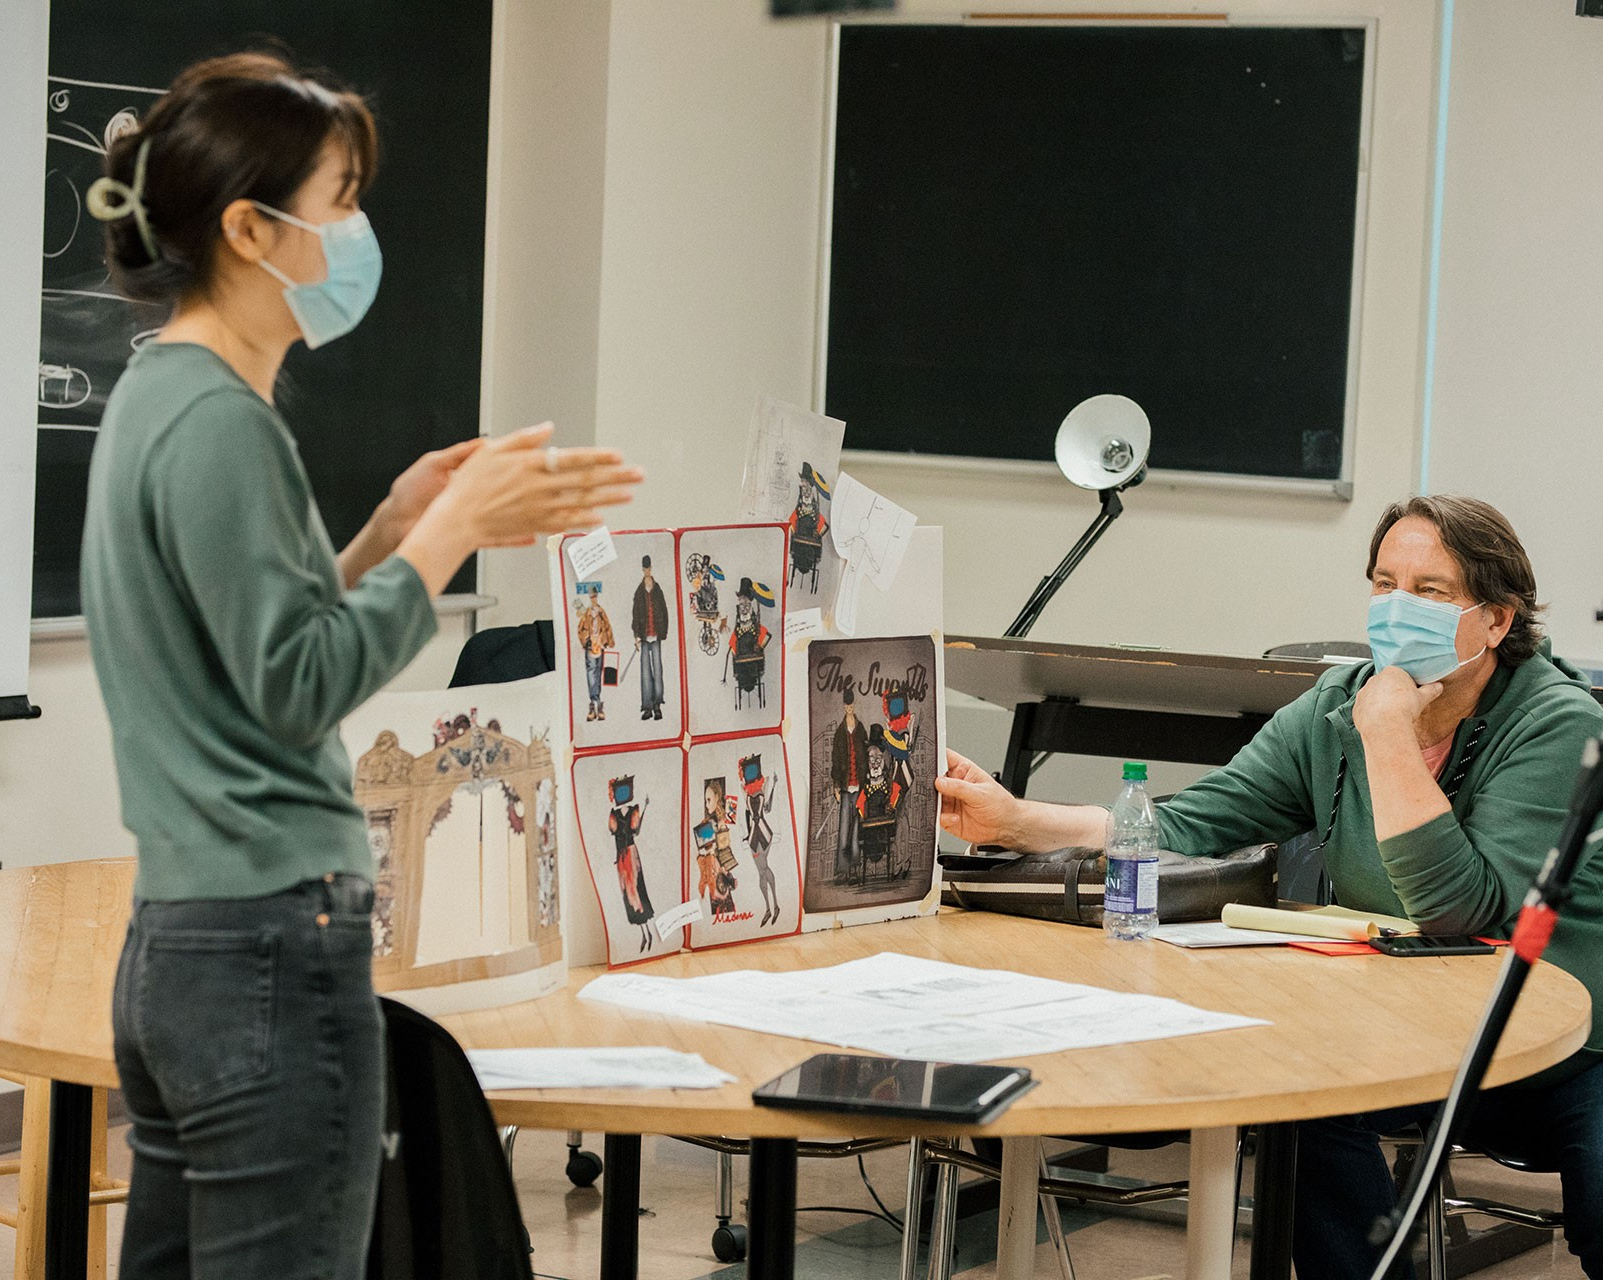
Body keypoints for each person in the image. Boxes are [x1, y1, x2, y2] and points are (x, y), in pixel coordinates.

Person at [78, 53, 642, 1280]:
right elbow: (296, 684)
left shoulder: (160, 395)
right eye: (338, 200)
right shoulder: (224, 420)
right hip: (270, 950)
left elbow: (246, 641)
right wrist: (449, 539)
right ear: (247, 227)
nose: (354, 232)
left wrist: (391, 528)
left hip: (183, 946)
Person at [936, 495, 1603, 1279]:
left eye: (1428, 591)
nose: (1395, 608)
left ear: (1495, 621)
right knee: (1303, 1105)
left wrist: (1387, 732)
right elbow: (1188, 825)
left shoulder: (1557, 723)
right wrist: (1016, 820)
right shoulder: (1330, 707)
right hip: (1412, 1025)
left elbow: (1457, 909)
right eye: (1382, 582)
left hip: (1559, 1045)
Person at [831, 687, 868, 879]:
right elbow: (836, 761)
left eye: (851, 704)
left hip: (860, 788)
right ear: (844, 706)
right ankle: (842, 870)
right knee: (844, 828)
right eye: (846, 705)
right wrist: (836, 786)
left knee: (856, 830)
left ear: (854, 705)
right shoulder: (839, 733)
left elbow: (867, 759)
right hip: (846, 788)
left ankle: (854, 870)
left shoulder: (861, 730)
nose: (849, 708)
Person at [632, 553, 670, 721]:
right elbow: (635, 615)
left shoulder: (657, 589)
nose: (647, 570)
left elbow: (664, 611)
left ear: (650, 568)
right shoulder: (639, 592)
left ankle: (657, 705)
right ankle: (647, 706)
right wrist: (636, 636)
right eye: (644, 568)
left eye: (648, 568)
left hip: (656, 635)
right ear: (642, 569)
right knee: (646, 672)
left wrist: (663, 631)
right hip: (644, 636)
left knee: (658, 670)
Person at [576, 582, 614, 721]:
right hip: (591, 648)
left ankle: (597, 704)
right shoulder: (587, 614)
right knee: (591, 675)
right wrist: (587, 641)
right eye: (591, 596)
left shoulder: (601, 612)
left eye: (595, 596)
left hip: (601, 647)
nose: (593, 599)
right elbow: (580, 630)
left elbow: (608, 627)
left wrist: (608, 641)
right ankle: (594, 704)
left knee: (598, 674)